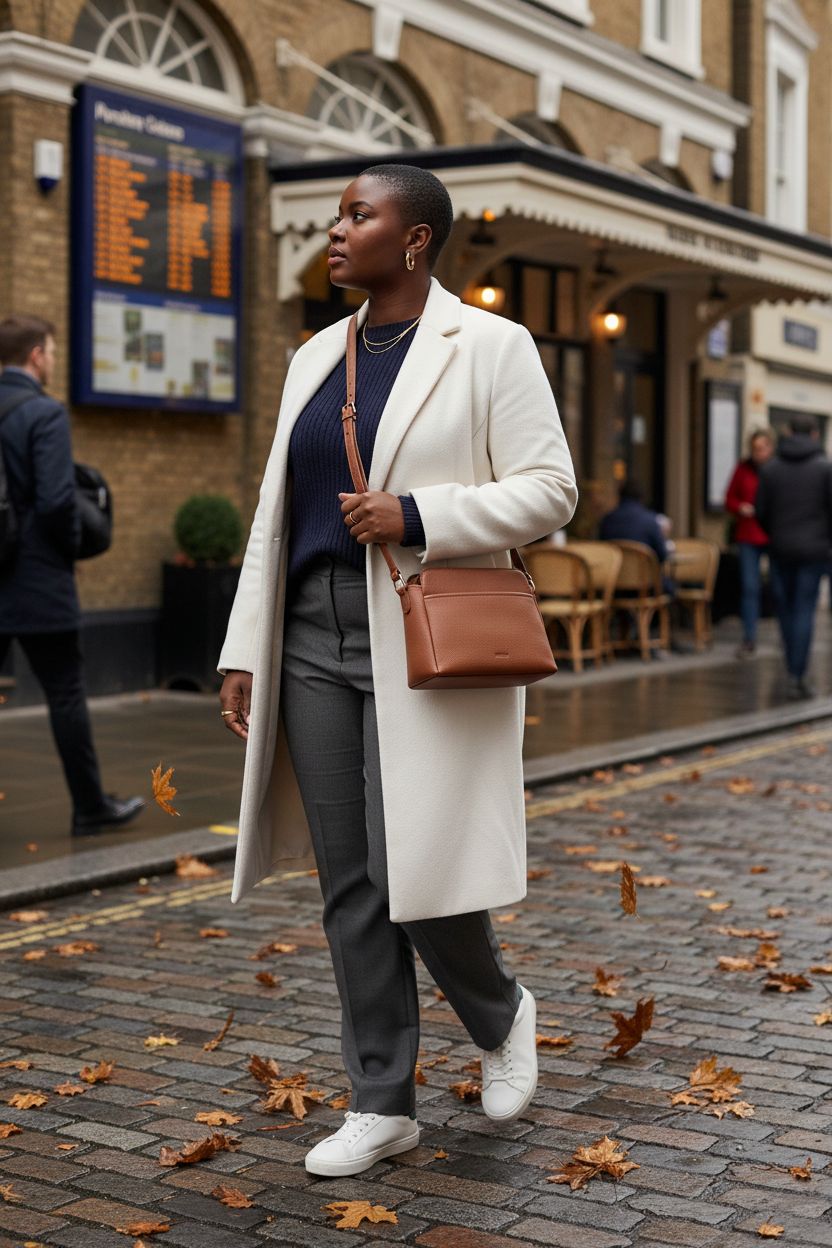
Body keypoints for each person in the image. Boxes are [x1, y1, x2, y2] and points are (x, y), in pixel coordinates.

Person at [218, 164, 577, 1177]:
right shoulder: (313, 356)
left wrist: (420, 514)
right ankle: (381, 1101)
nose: (337, 231)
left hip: (420, 631)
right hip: (309, 636)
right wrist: (244, 647)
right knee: (349, 878)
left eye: (358, 215)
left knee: (411, 865)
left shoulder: (491, 345)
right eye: (337, 215)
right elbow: (276, 516)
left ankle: (499, 1010)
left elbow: (551, 489)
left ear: (415, 239)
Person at [0, 315, 143, 835]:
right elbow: (57, 502)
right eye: (53, 352)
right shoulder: (44, 413)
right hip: (37, 578)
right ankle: (89, 807)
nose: (54, 361)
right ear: (37, 355)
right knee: (64, 693)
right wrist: (70, 552)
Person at [755, 414, 832, 699]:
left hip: (781, 549)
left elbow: (760, 511)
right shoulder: (824, 468)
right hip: (813, 551)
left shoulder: (771, 469)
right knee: (803, 610)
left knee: (786, 610)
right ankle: (797, 675)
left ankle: (792, 668)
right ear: (814, 434)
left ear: (788, 432)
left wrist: (776, 533)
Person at [725, 428, 774, 657]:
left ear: (770, 448)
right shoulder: (742, 469)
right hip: (748, 535)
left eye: (762, 448)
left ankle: (787, 636)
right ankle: (749, 637)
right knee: (749, 587)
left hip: (773, 535)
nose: (758, 452)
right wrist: (740, 507)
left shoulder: (777, 470)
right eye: (755, 448)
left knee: (779, 586)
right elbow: (729, 498)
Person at [599, 480, 668, 564]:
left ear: (620, 496)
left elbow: (601, 550)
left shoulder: (607, 520)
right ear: (641, 497)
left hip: (615, 571)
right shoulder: (650, 520)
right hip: (643, 571)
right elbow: (663, 555)